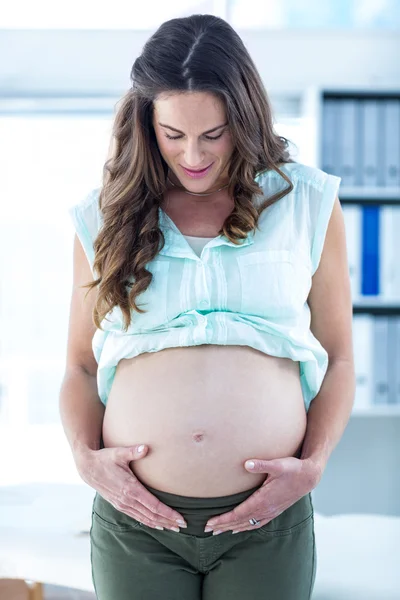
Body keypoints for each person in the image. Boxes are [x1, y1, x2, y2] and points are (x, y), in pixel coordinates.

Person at [60, 13, 355, 600]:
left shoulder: (307, 203)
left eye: (213, 134)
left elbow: (340, 358)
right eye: (173, 134)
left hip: (266, 518)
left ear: (243, 118)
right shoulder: (103, 217)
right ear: (147, 122)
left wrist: (313, 464)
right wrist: (85, 459)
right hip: (137, 522)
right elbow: (81, 367)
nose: (192, 155)